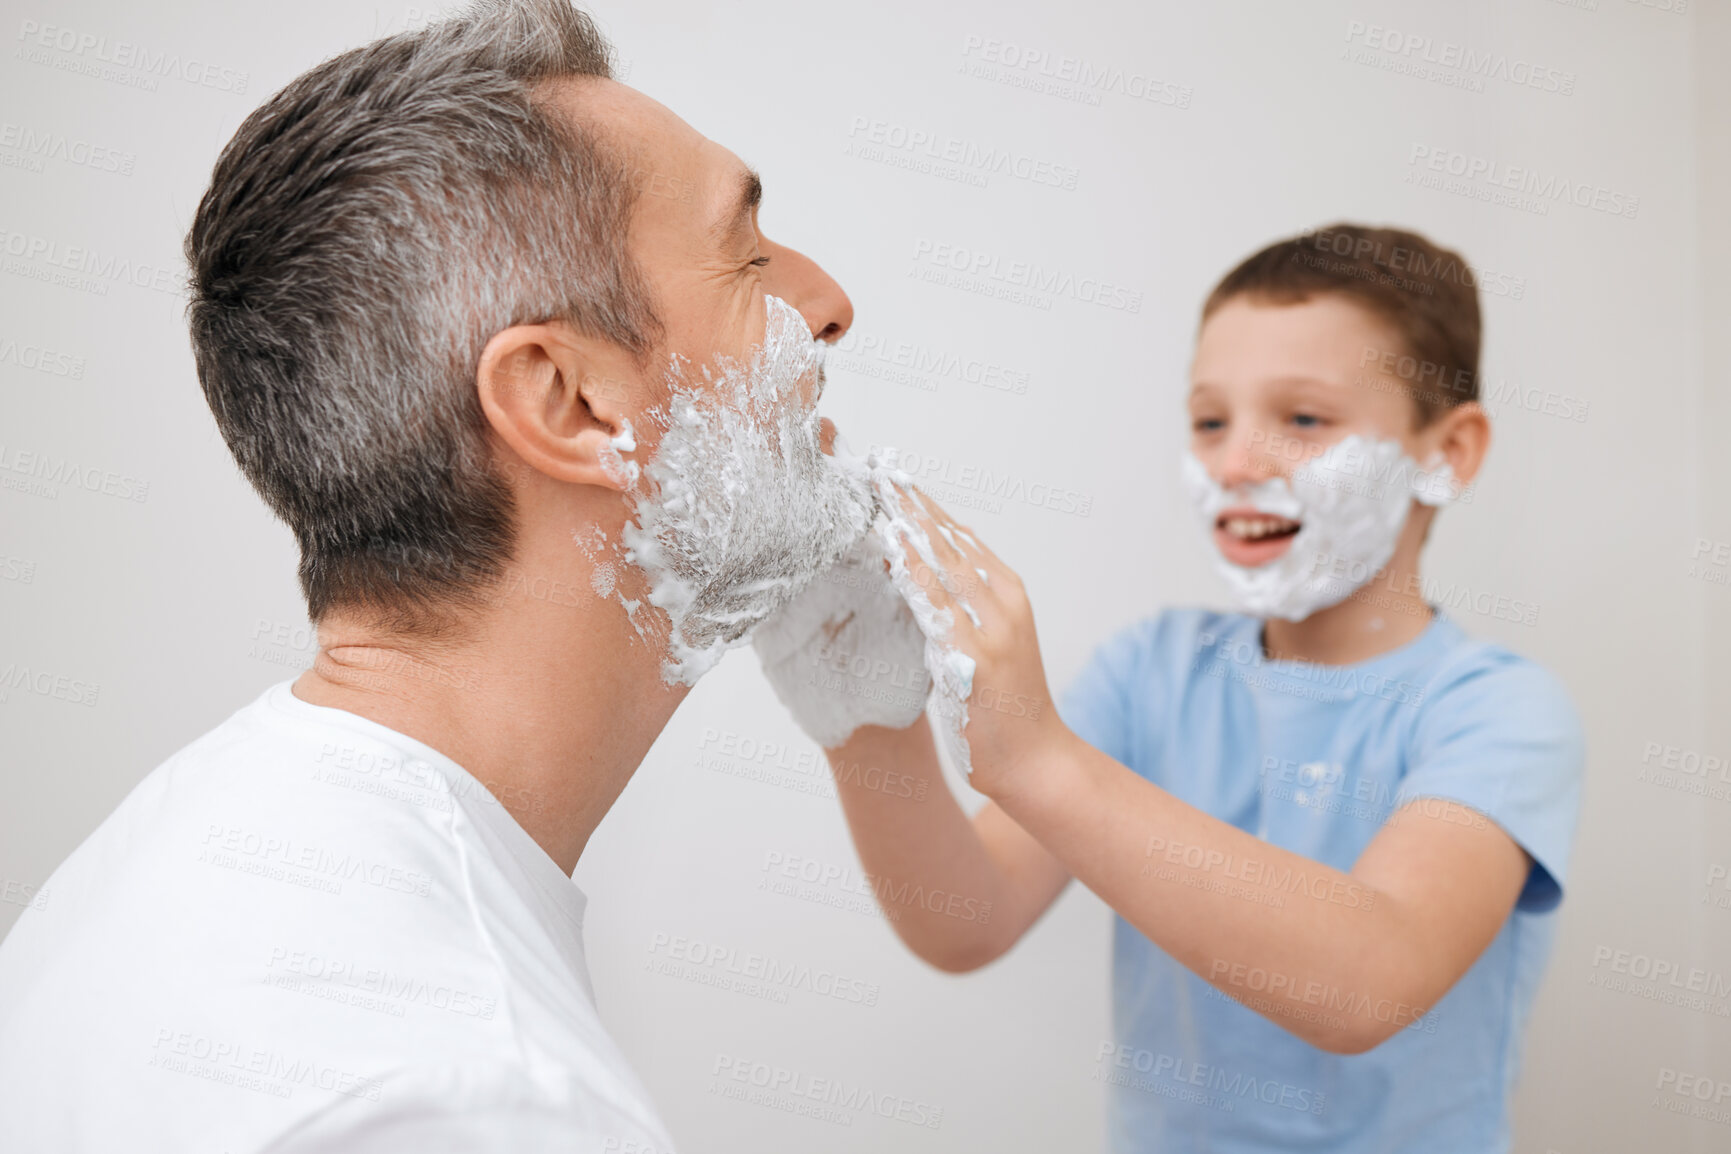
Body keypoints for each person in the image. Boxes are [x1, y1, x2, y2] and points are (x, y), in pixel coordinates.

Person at [0, 1, 875, 1150]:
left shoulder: (170, 846)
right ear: (568, 401)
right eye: (747, 255)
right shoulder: (473, 1092)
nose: (827, 306)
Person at [764, 223, 1585, 1152]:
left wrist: (1038, 758)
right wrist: (862, 708)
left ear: (1447, 452)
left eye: (1304, 420)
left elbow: (1370, 981)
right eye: (1209, 421)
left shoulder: (1500, 713)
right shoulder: (1152, 672)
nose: (1236, 462)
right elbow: (966, 921)